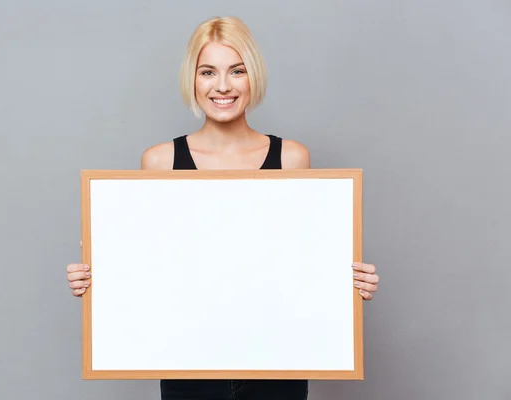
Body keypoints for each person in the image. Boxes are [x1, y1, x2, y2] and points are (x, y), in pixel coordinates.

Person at [66, 15, 380, 400]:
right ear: (192, 80)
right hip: (189, 361)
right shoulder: (159, 162)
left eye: (237, 70)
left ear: (254, 77)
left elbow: (299, 262)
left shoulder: (292, 158)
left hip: (277, 359)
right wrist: (96, 279)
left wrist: (346, 281)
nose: (222, 86)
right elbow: (149, 265)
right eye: (208, 72)